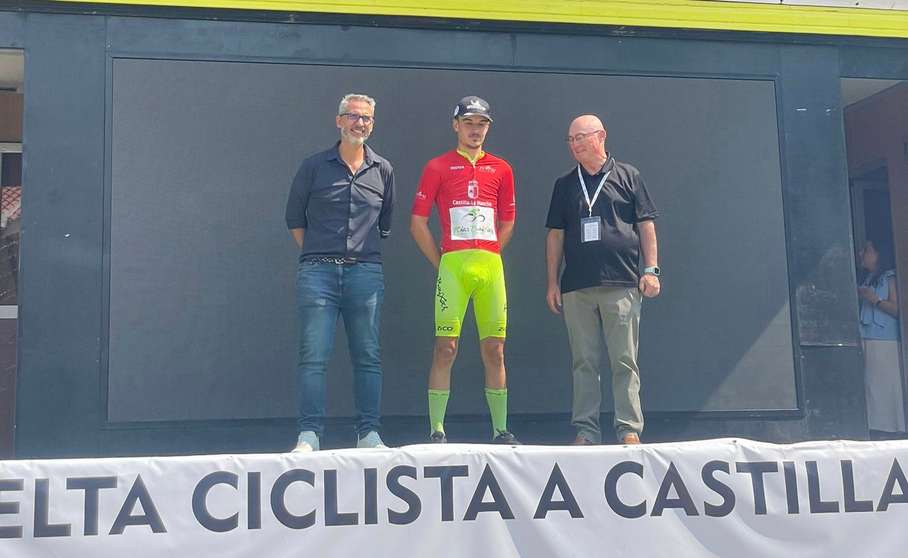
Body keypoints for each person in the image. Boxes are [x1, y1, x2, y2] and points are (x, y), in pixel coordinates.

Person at [285, 94, 395, 451]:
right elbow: (294, 220)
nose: (358, 123)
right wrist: (320, 253)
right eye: (352, 116)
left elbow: (385, 224)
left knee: (368, 356)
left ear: (372, 125)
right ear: (338, 121)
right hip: (318, 274)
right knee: (314, 356)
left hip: (366, 275)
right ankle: (309, 434)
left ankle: (369, 433)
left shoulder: (384, 171)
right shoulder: (314, 167)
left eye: (365, 118)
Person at [410, 96, 519, 444]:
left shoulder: (501, 168)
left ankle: (500, 430)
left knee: (496, 349)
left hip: (490, 266)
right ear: (455, 125)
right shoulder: (438, 166)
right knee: (446, 347)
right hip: (453, 267)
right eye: (469, 123)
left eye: (482, 123)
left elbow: (509, 220)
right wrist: (444, 261)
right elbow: (417, 223)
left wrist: (487, 253)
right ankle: (437, 430)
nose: (475, 130)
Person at [545, 115, 660, 446]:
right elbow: (555, 235)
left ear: (601, 136)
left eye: (581, 137)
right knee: (584, 363)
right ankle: (586, 431)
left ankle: (628, 429)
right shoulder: (565, 184)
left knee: (624, 359)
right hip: (576, 287)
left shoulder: (628, 176)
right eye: (570, 140)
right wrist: (552, 281)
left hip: (622, 282)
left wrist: (651, 270)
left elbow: (646, 225)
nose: (576, 144)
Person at [857, 238, 905, 439]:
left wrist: (874, 299)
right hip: (867, 339)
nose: (861, 254)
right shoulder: (868, 279)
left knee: (888, 388)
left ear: (878, 255)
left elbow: (897, 309)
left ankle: (894, 429)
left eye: (867, 250)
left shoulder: (890, 278)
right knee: (872, 388)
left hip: (886, 343)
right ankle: (876, 428)